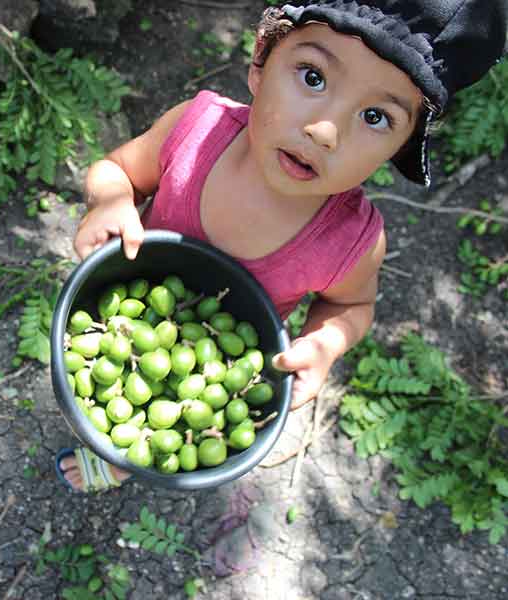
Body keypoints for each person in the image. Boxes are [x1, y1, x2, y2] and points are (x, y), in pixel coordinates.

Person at [56, 0, 508, 492]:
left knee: (155, 444)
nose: (325, 131)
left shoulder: (351, 241)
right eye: (313, 77)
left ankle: (130, 455)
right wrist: (110, 199)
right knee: (95, 397)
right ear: (260, 61)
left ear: (398, 149)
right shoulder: (195, 130)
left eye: (376, 116)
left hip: (230, 365)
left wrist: (324, 343)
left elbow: (351, 305)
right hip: (120, 299)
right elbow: (117, 171)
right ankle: (117, 440)